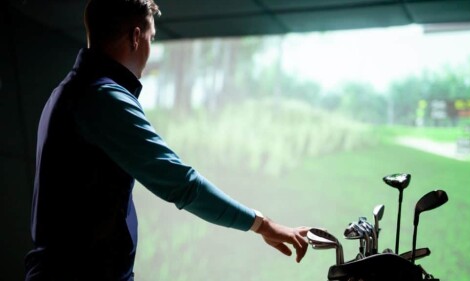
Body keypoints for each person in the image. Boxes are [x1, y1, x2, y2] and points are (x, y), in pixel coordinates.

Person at [24, 0, 309, 280]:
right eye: (151, 38)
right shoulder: (103, 96)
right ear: (136, 37)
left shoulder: (70, 91)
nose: (150, 48)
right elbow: (182, 185)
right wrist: (262, 224)